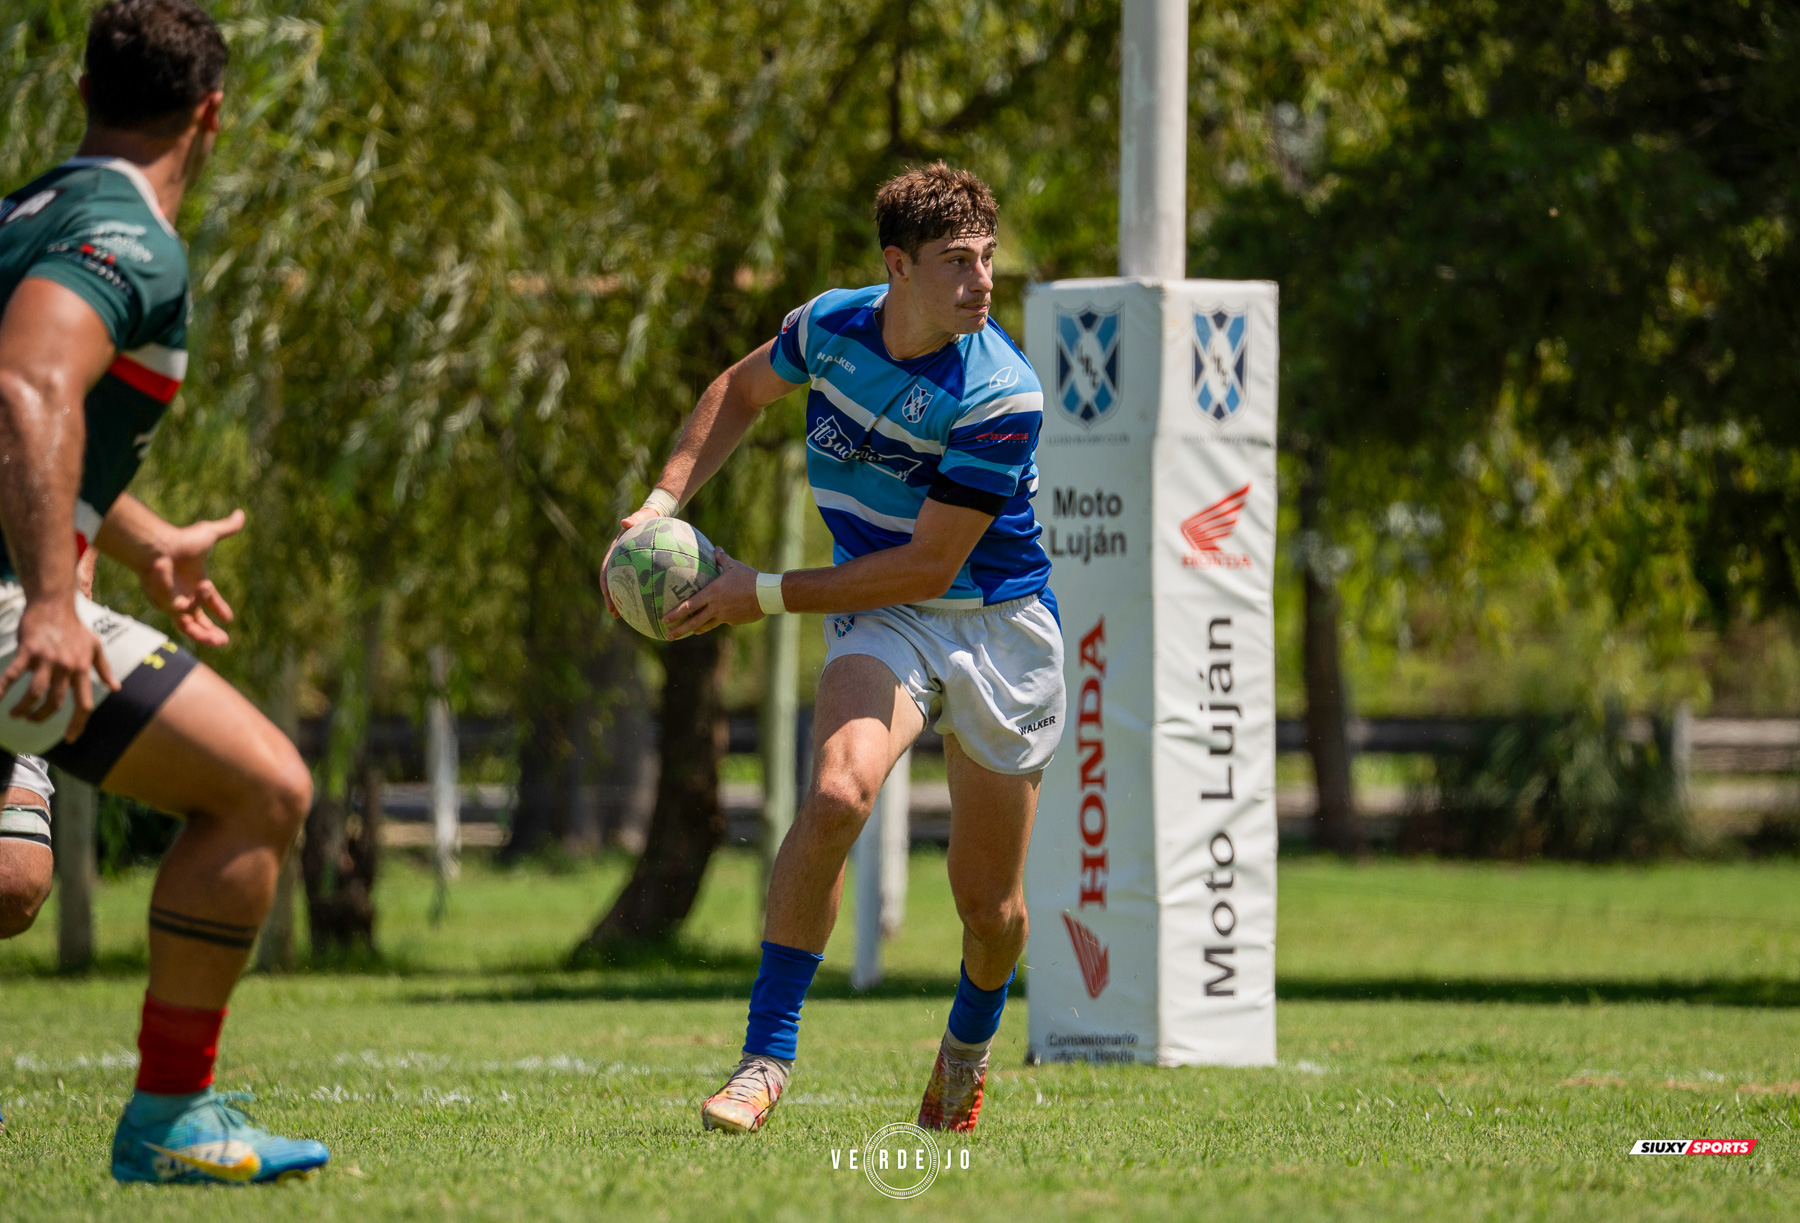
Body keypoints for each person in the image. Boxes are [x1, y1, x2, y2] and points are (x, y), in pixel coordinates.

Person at [611, 163, 1063, 1135]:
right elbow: (738, 390)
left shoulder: (1000, 393)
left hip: (996, 626)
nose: (983, 281)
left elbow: (932, 565)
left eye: (988, 259)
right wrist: (658, 507)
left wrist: (758, 594)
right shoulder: (829, 327)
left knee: (990, 907)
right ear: (896, 267)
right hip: (883, 615)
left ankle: (967, 1049)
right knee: (835, 792)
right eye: (957, 262)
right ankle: (765, 1056)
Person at [0, 0, 327, 1183]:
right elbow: (29, 387)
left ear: (84, 93)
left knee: (11, 878)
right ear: (212, 114)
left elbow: (34, 413)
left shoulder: (27, 209)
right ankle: (169, 1119)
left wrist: (129, 539)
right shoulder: (128, 240)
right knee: (261, 789)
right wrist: (50, 595)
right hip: (8, 594)